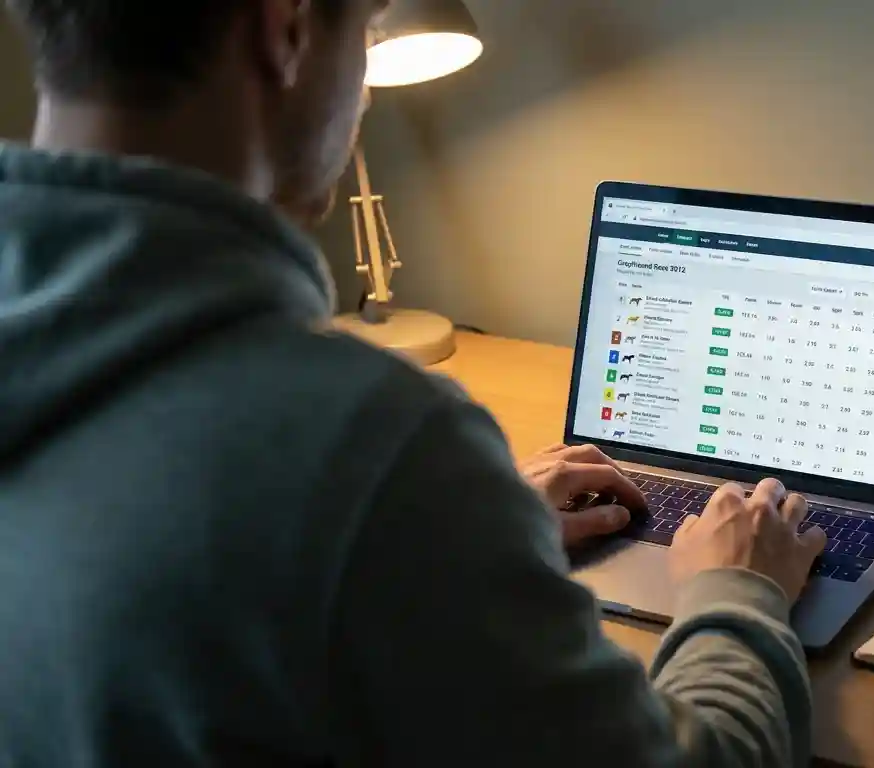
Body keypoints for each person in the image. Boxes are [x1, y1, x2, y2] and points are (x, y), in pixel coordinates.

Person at [0, 0, 832, 765]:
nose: (362, 95)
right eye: (362, 34)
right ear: (285, 30)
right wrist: (738, 590)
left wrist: (465, 535)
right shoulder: (373, 446)